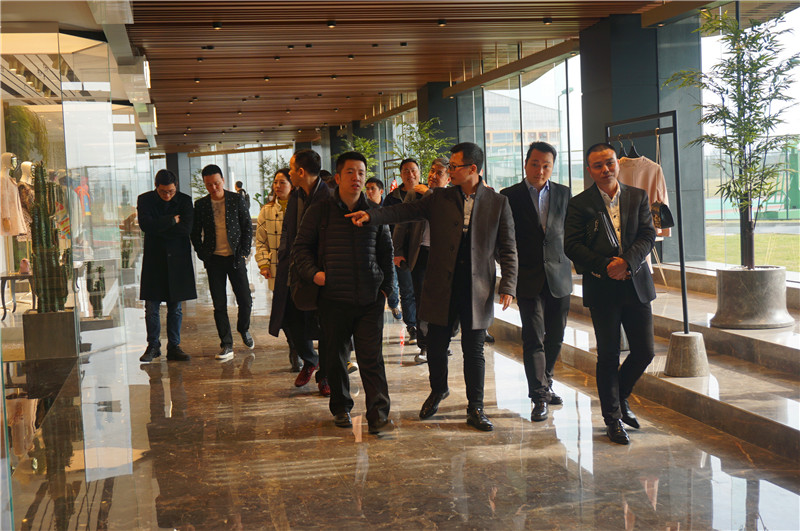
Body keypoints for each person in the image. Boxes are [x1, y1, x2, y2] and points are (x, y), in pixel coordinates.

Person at [347, 142, 518, 432]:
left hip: (477, 288)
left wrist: (509, 284)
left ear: (472, 169)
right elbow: (404, 211)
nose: (449, 170)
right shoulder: (439, 197)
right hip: (441, 285)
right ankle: (438, 390)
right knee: (436, 346)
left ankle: (476, 407)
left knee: (474, 350)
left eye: (454, 166)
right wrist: (372, 216)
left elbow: (508, 246)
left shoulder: (497, 202)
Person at [293, 151, 396, 434]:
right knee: (336, 357)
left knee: (371, 358)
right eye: (350, 172)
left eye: (361, 173)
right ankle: (341, 407)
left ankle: (378, 415)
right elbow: (300, 248)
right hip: (333, 298)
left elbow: (386, 253)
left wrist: (387, 290)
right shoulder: (320, 210)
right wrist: (315, 274)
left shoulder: (374, 212)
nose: (357, 178)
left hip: (369, 298)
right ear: (337, 178)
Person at [564, 142, 656, 445]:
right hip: (602, 287)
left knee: (644, 352)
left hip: (636, 283)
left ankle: (620, 396)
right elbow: (572, 245)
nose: (606, 169)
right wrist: (607, 266)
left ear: (618, 163)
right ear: (589, 170)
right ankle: (613, 419)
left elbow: (648, 234)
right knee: (608, 355)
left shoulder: (638, 196)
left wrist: (626, 262)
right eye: (598, 165)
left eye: (610, 163)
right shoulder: (580, 204)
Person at [500, 142, 573, 422]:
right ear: (525, 163)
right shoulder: (509, 196)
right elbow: (502, 239)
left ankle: (547, 380)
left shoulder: (564, 193)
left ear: (552, 167)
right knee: (533, 337)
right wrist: (508, 273)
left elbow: (571, 233)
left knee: (556, 336)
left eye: (546, 166)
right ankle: (539, 396)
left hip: (559, 276)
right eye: (535, 164)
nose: (540, 170)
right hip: (527, 277)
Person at [268, 149, 332, 396]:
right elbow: (288, 229)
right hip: (294, 268)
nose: (290, 173)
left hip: (319, 272)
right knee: (290, 319)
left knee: (325, 326)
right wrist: (285, 255)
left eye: (292, 169)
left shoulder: (327, 197)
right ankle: (310, 360)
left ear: (301, 172)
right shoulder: (296, 195)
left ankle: (325, 376)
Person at [191, 164, 254, 361]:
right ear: (205, 184)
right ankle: (226, 344)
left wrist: (244, 252)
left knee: (245, 300)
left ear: (223, 180)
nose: (214, 188)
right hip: (214, 260)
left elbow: (247, 226)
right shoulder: (201, 205)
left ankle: (243, 328)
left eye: (217, 183)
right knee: (219, 304)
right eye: (209, 184)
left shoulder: (236, 200)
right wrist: (202, 254)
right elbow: (195, 232)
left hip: (235, 258)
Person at [392, 157, 450, 364]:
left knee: (443, 302)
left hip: (445, 256)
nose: (433, 176)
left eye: (439, 173)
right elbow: (402, 222)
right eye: (432, 171)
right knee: (422, 301)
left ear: (449, 178)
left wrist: (430, 194)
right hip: (421, 253)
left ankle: (441, 342)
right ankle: (425, 345)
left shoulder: (453, 197)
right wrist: (398, 250)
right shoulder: (415, 193)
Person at [138, 169, 195, 362]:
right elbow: (146, 226)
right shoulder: (145, 200)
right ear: (156, 187)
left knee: (175, 307)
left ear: (176, 186)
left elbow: (186, 229)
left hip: (177, 259)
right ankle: (153, 346)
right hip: (154, 259)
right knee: (151, 307)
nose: (168, 195)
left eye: (171, 191)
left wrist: (159, 227)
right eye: (163, 192)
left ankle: (174, 346)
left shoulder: (185, 201)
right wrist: (171, 220)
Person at [255, 168, 300, 371]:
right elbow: (260, 241)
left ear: (292, 185)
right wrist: (264, 264)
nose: (277, 186)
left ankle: (302, 348)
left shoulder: (300, 207)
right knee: (285, 313)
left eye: (282, 182)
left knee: (301, 310)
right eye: (275, 182)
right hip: (277, 269)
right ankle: (294, 347)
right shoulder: (267, 210)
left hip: (300, 269)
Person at [384, 159, 422, 342]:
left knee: (425, 291)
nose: (410, 174)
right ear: (401, 174)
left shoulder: (427, 194)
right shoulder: (392, 198)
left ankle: (426, 327)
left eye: (413, 170)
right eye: (406, 171)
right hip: (401, 252)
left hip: (423, 250)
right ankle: (412, 326)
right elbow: (386, 225)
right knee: (407, 290)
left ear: (419, 172)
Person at [365, 176, 403, 321]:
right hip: (371, 251)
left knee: (391, 279)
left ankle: (394, 304)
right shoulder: (364, 209)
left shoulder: (387, 207)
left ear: (381, 191)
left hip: (389, 249)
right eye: (367, 189)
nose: (369, 192)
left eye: (372, 188)